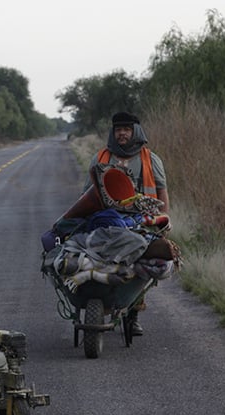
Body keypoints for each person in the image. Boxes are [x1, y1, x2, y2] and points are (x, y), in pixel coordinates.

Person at [82, 111, 170, 336]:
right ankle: (102, 299)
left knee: (140, 265)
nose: (122, 133)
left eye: (127, 129)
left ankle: (133, 313)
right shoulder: (100, 157)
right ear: (113, 132)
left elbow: (162, 191)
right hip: (108, 221)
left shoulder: (150, 159)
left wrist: (163, 221)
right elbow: (86, 193)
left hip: (142, 220)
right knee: (100, 258)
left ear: (135, 132)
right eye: (118, 129)